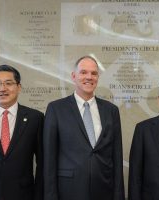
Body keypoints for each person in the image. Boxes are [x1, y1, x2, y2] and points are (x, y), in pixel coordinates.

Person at [43, 55, 125, 200]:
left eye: (94, 73)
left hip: (104, 189)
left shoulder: (111, 110)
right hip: (68, 190)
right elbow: (49, 158)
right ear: (74, 76)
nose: (89, 77)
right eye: (83, 72)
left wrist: (118, 195)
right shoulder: (56, 109)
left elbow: (117, 157)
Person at [0, 65, 44, 200]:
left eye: (8, 83)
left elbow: (43, 162)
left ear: (19, 87)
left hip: (22, 194)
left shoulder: (36, 118)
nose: (2, 89)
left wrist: (39, 193)